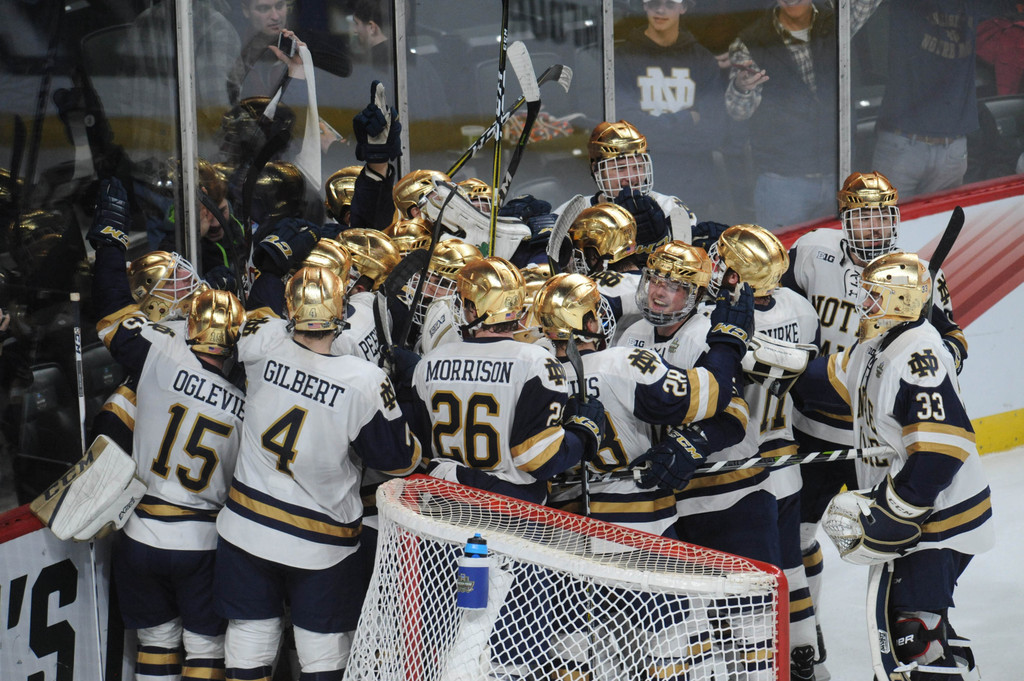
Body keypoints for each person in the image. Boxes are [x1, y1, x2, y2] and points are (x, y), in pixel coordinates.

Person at [780, 170, 969, 679]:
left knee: (903, 552)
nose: (871, 227)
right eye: (860, 216)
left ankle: (927, 632)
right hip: (813, 429)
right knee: (794, 539)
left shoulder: (916, 275)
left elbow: (955, 342)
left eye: (880, 215)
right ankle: (804, 639)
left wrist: (927, 347)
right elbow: (779, 312)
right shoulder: (812, 252)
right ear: (843, 220)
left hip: (878, 447)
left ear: (895, 218)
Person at [533, 271, 753, 680]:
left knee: (575, 658)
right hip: (640, 528)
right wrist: (727, 341)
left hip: (561, 536)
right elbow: (714, 393)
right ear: (592, 325)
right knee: (674, 652)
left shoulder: (534, 371)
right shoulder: (622, 363)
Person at [214, 265, 421, 681]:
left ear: (292, 310)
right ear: (339, 312)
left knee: (249, 641)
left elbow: (260, 313)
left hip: (245, 528)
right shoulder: (364, 380)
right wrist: (403, 394)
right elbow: (399, 460)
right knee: (323, 653)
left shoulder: (261, 343)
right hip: (321, 542)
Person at [796, 251, 993, 681]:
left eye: (872, 296)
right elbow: (831, 379)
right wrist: (781, 368)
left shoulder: (919, 356)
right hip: (924, 515)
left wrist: (896, 507)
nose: (861, 305)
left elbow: (944, 446)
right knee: (913, 628)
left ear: (900, 301)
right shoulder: (878, 342)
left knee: (915, 635)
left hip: (938, 518)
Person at [89, 177, 247, 681]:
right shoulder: (251, 398)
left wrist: (110, 241)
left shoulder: (158, 359)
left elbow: (111, 309)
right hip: (202, 539)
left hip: (139, 533)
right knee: (205, 650)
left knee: (156, 645)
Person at [707, 224, 823, 679]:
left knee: (744, 583)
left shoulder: (723, 320)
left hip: (740, 467)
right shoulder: (799, 307)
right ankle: (806, 656)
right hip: (787, 460)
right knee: (790, 571)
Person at [408, 256, 606, 505]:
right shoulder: (537, 362)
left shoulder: (429, 363)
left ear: (474, 308)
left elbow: (421, 452)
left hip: (443, 504)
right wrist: (581, 436)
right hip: (510, 513)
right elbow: (536, 458)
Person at [725, 0, 882, 229]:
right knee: (782, 262)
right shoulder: (750, 41)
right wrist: (742, 87)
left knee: (836, 259)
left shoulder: (838, 20)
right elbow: (738, 111)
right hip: (782, 184)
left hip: (839, 176)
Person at [870, 1, 1006, 200]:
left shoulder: (972, 5)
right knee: (880, 229)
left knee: (942, 230)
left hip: (951, 147)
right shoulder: (907, 6)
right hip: (903, 143)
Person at [613, 0, 727, 218]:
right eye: (654, 3)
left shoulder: (702, 59)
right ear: (644, 6)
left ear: (684, 7)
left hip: (695, 186)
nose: (661, 10)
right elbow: (625, 130)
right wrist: (688, 119)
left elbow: (715, 131)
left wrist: (654, 134)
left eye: (669, 4)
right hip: (640, 187)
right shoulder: (623, 58)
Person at [554, 121, 696, 245]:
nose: (631, 177)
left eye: (637, 167)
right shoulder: (572, 212)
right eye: (620, 168)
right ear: (596, 169)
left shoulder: (670, 208)